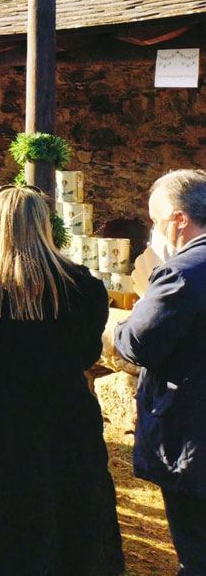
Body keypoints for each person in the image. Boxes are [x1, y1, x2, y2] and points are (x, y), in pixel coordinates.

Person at [0, 187, 123, 575]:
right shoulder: (83, 287)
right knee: (67, 520)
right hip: (64, 418)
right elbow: (87, 354)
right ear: (44, 225)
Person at [116, 169, 206, 575]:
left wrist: (121, 326)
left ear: (179, 219)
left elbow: (138, 343)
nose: (154, 230)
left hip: (192, 431)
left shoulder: (182, 272)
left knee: (195, 550)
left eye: (156, 220)